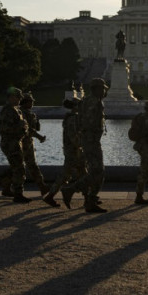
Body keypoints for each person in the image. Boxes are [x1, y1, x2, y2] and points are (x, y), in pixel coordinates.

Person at [62, 78, 108, 213]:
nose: (104, 91)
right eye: (103, 88)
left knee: (96, 171)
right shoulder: (95, 102)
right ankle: (72, 190)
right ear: (97, 89)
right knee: (98, 171)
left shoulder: (85, 101)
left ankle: (89, 201)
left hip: (88, 140)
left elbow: (80, 122)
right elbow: (90, 122)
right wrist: (91, 135)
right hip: (91, 141)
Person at [0, 93, 49, 198]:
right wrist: (39, 136)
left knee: (18, 167)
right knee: (24, 166)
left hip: (22, 142)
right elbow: (25, 129)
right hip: (22, 143)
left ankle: (2, 185)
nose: (32, 103)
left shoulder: (22, 112)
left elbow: (32, 128)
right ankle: (38, 187)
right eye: (30, 101)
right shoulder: (16, 112)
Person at [43, 98, 87, 207]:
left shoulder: (73, 118)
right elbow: (74, 137)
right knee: (67, 175)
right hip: (73, 151)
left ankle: (89, 198)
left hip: (74, 150)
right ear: (76, 107)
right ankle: (50, 196)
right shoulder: (72, 119)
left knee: (82, 174)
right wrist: (83, 144)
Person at [0, 87, 31, 204]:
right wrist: (21, 127)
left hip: (15, 142)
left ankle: (3, 187)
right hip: (10, 143)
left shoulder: (15, 110)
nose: (20, 100)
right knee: (19, 169)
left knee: (15, 166)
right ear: (11, 97)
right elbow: (4, 129)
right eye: (18, 97)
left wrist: (23, 128)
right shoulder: (8, 111)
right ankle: (18, 194)